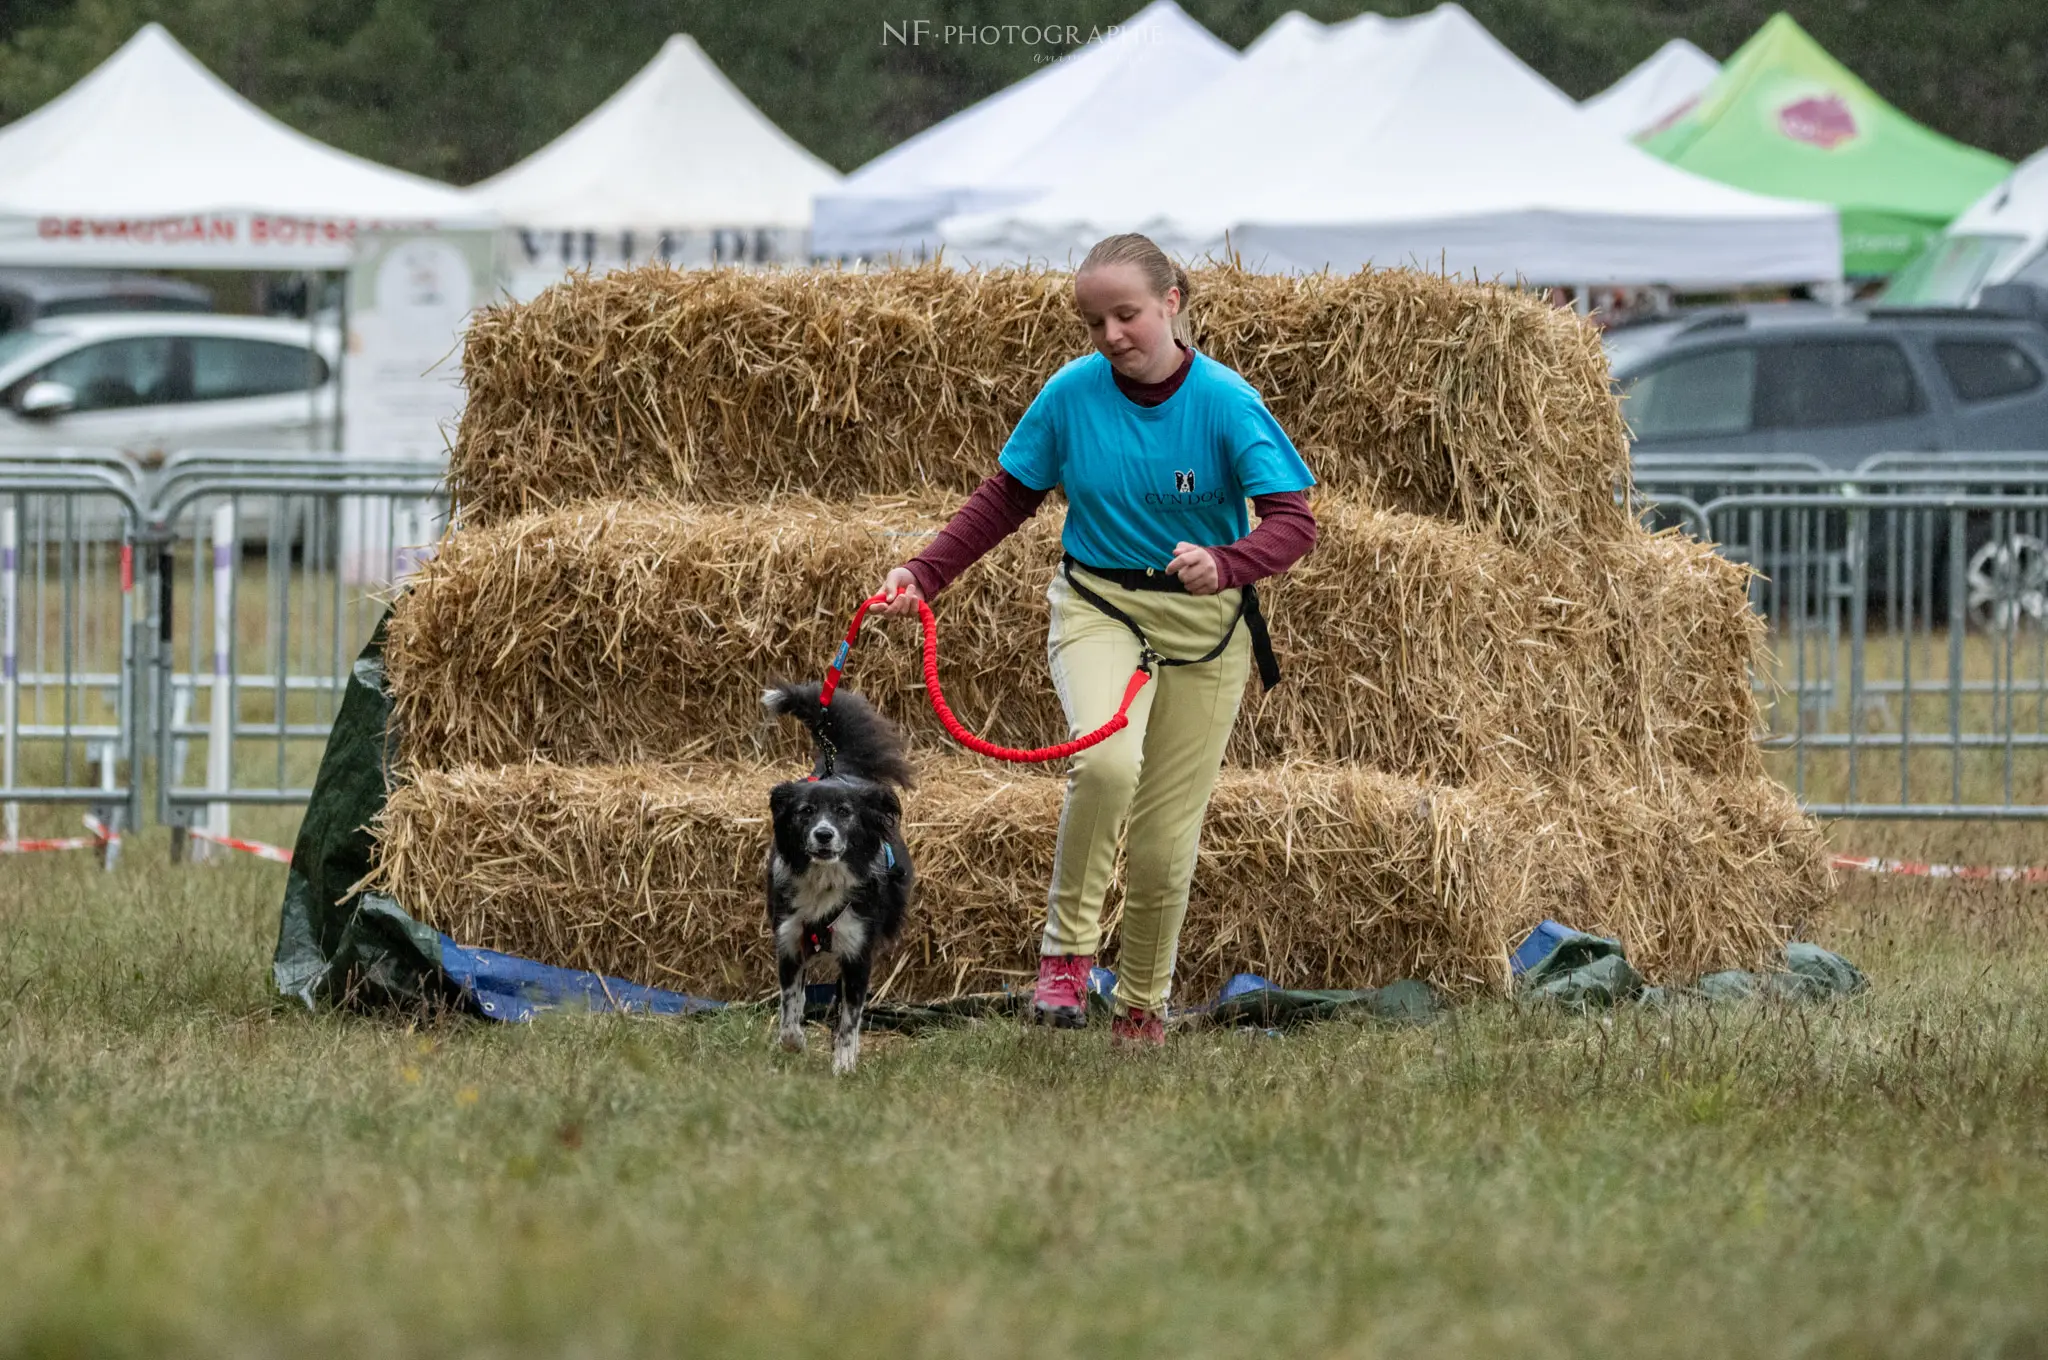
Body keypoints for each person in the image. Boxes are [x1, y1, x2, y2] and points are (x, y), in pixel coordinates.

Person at [874, 233, 1318, 1047]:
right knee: (1105, 762)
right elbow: (1006, 497)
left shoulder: (1225, 401)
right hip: (1098, 605)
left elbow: (1294, 524)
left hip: (1205, 629)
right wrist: (923, 574)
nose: (1112, 336)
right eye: (1095, 322)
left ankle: (1143, 1006)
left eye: (1128, 315)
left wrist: (1227, 562)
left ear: (1172, 303)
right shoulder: (1072, 395)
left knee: (1162, 838)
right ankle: (1066, 961)